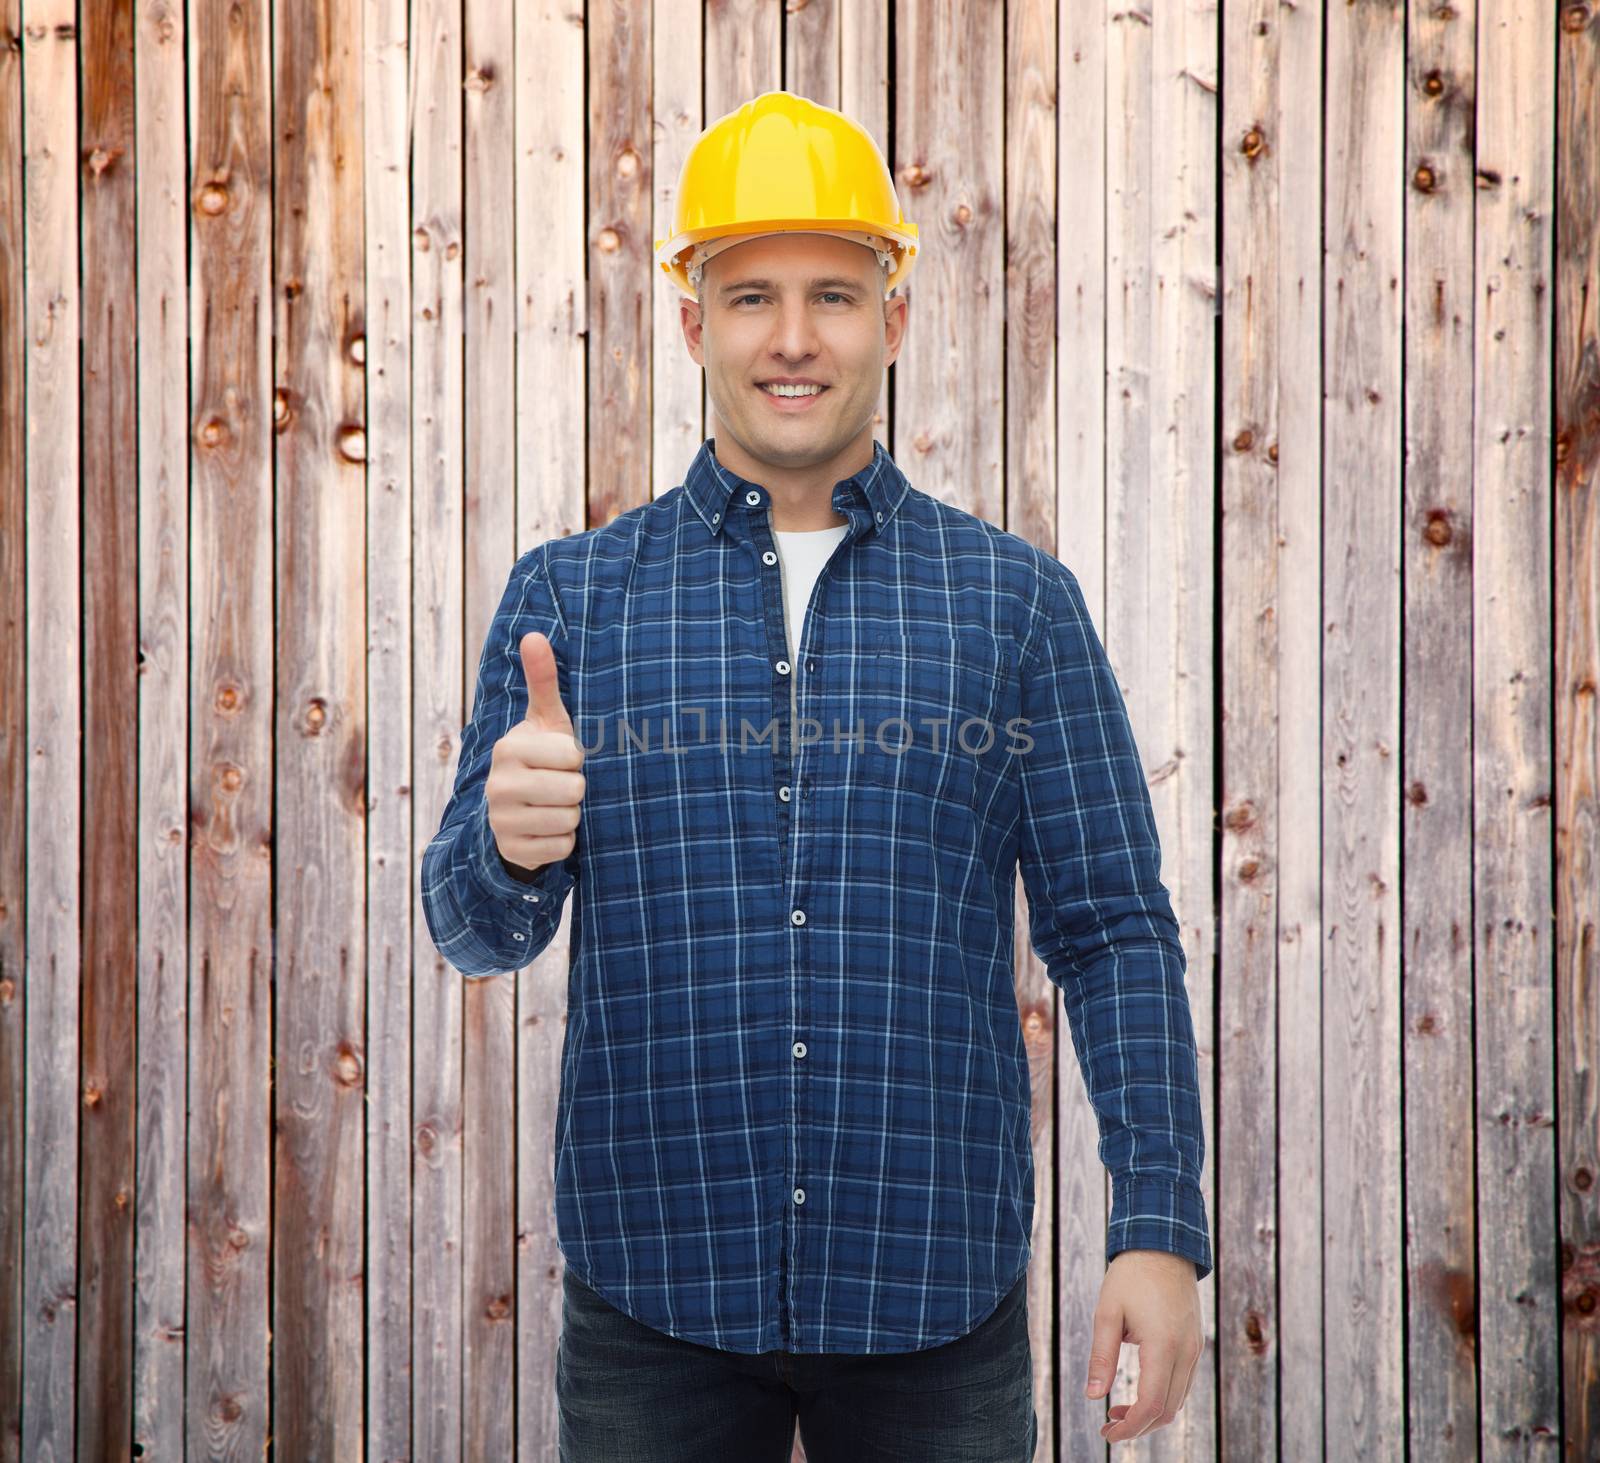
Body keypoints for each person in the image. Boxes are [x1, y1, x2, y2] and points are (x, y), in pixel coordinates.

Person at [420, 89, 1210, 1462]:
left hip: (934, 1305)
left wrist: (1158, 1225)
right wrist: (507, 843)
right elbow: (475, 931)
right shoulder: (573, 600)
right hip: (652, 1297)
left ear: (893, 321)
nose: (794, 338)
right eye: (751, 298)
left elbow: (1112, 930)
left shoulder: (1013, 604)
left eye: (835, 296)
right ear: (692, 324)